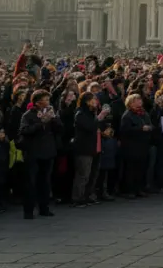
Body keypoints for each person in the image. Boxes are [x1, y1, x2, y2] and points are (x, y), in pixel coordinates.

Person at [18, 89, 61, 219]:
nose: (48, 103)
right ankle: (29, 210)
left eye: (48, 100)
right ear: (37, 102)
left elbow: (60, 129)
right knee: (31, 182)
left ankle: (44, 208)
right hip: (33, 153)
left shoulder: (51, 113)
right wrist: (40, 123)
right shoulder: (28, 115)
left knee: (45, 182)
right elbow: (24, 130)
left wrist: (53, 119)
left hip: (48, 152)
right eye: (45, 100)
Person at [71, 92, 104, 207]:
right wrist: (99, 118)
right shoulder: (80, 113)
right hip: (84, 148)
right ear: (87, 101)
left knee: (92, 174)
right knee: (83, 174)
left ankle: (88, 195)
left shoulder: (92, 113)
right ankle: (77, 198)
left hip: (95, 147)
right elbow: (89, 127)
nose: (96, 102)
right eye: (93, 100)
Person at [119, 94, 153, 198]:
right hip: (131, 146)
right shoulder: (127, 115)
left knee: (141, 168)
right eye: (136, 100)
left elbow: (151, 124)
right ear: (131, 103)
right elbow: (125, 130)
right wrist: (140, 128)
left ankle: (139, 189)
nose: (139, 101)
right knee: (131, 169)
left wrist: (149, 128)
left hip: (142, 145)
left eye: (139, 99)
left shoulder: (144, 113)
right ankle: (130, 190)